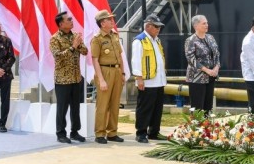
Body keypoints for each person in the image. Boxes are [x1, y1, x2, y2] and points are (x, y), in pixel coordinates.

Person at [50, 12, 88, 144]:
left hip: (76, 78)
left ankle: (75, 132)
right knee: (62, 108)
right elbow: (58, 57)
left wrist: (79, 43)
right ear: (61, 24)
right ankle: (61, 133)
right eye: (69, 20)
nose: (72, 21)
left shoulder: (75, 36)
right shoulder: (55, 38)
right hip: (63, 79)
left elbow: (85, 51)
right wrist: (73, 47)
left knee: (75, 107)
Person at [90, 10, 126, 144]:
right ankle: (100, 133)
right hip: (105, 71)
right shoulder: (97, 39)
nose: (112, 21)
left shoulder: (115, 36)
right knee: (103, 105)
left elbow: (120, 57)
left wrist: (122, 73)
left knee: (115, 104)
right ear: (102, 23)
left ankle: (112, 132)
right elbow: (95, 60)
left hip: (116, 71)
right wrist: (101, 79)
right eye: (109, 19)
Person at [131, 14, 167, 143]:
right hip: (147, 81)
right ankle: (141, 133)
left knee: (157, 108)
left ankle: (154, 132)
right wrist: (139, 78)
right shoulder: (139, 40)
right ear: (148, 26)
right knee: (145, 108)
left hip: (159, 80)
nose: (158, 29)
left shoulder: (157, 40)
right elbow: (136, 61)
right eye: (156, 27)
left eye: (159, 27)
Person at [184, 14, 220, 114]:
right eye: (204, 23)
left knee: (208, 107)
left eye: (207, 23)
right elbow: (191, 59)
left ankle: (207, 128)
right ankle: (197, 128)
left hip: (211, 77)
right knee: (197, 108)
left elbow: (217, 54)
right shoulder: (190, 40)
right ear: (196, 26)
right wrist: (207, 70)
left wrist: (216, 68)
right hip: (196, 79)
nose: (207, 25)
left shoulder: (211, 38)